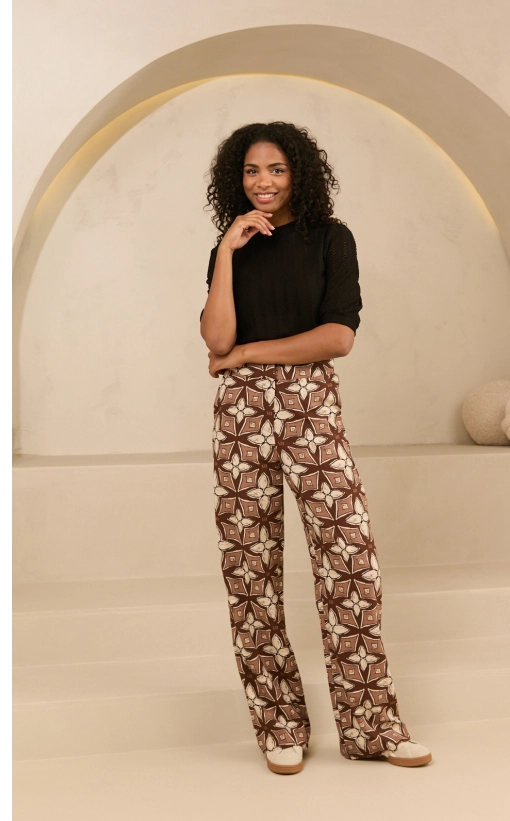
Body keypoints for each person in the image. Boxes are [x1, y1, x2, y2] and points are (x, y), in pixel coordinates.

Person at [200, 121, 432, 775]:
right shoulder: (231, 247)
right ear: (236, 178)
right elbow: (215, 340)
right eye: (251, 170)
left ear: (298, 172)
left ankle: (371, 727)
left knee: (350, 563)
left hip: (310, 404)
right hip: (240, 414)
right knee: (250, 572)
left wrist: (248, 352)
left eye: (276, 169)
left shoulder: (331, 238)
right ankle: (279, 725)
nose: (264, 182)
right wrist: (226, 252)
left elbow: (337, 337)